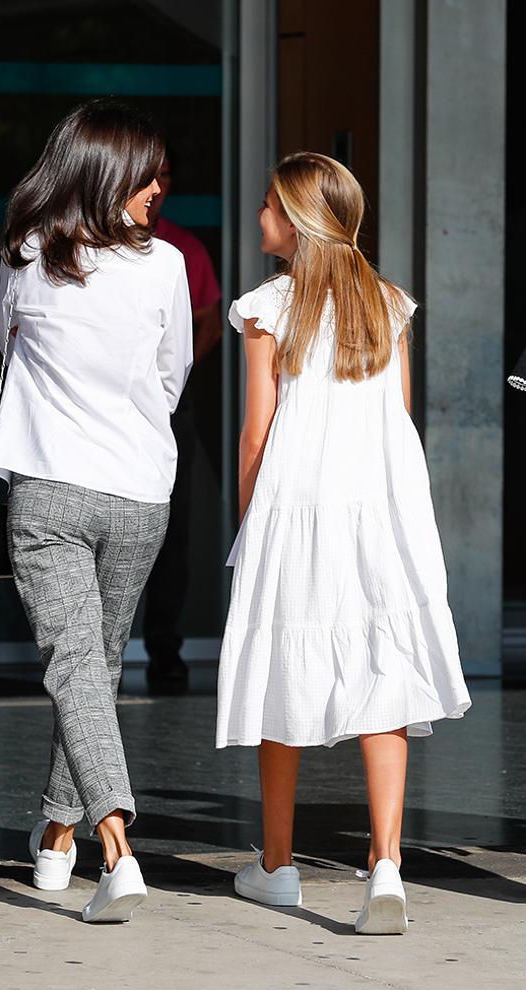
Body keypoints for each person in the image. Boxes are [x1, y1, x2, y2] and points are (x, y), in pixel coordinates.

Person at [216, 152, 471, 935]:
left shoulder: (267, 307)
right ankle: (386, 864)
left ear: (295, 220)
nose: (258, 215)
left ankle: (277, 866)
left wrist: (248, 523)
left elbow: (257, 431)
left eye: (267, 204)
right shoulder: (388, 305)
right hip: (383, 509)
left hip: (298, 505)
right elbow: (396, 421)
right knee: (383, 675)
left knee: (281, 670)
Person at [0, 100, 192, 923]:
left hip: (50, 484)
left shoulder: (28, 254)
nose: (158, 187)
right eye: (147, 171)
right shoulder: (167, 268)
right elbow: (172, 375)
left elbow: (6, 348)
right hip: (139, 488)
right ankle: (62, 841)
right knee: (91, 667)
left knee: (82, 670)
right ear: (106, 173)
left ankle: (107, 844)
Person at [142, 154, 222, 693]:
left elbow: (209, 325)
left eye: (167, 176)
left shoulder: (182, 250)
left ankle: (164, 650)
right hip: (109, 408)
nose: (157, 186)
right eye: (149, 174)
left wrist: (168, 375)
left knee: (171, 529)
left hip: (171, 406)